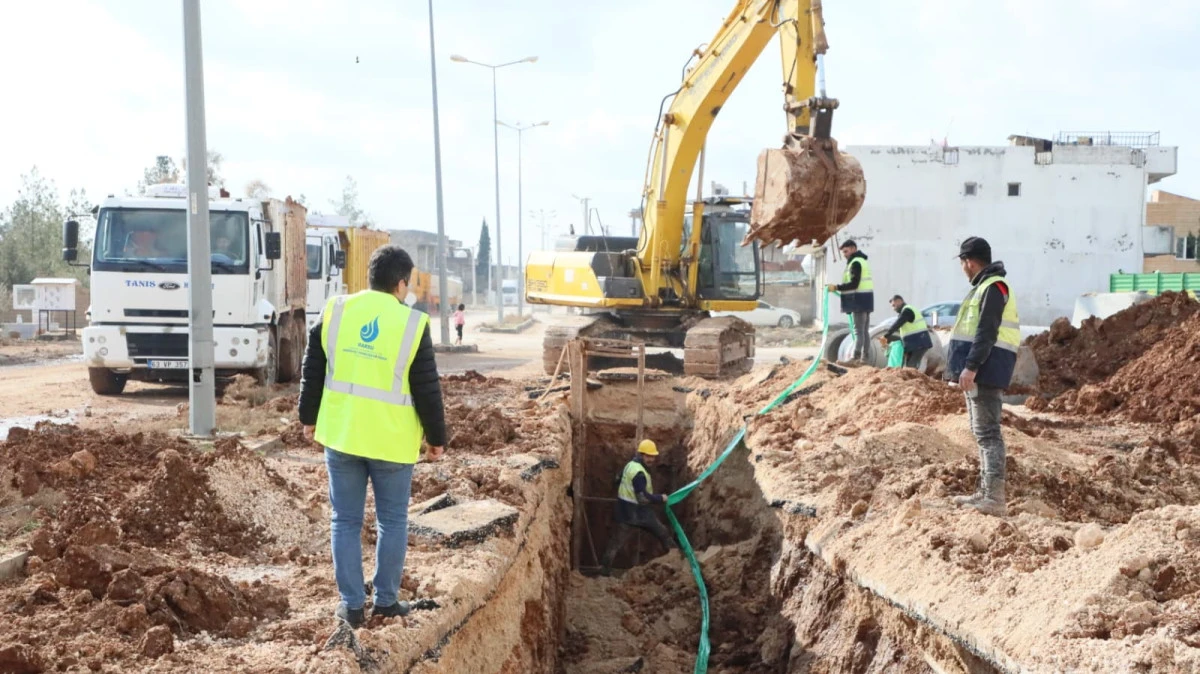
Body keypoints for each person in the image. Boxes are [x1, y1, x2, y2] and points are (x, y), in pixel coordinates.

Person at [297, 244, 447, 627]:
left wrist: (308, 416)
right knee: (392, 521)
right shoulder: (412, 323)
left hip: (343, 435)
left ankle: (351, 605)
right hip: (391, 442)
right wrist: (436, 439)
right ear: (400, 283)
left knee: (344, 521)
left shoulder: (336, 309)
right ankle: (385, 600)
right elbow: (427, 388)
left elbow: (313, 367)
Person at [946, 237, 1020, 517]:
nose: (963, 269)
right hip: (984, 369)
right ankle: (986, 492)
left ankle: (994, 497)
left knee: (988, 433)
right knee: (982, 433)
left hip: (987, 369)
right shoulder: (986, 286)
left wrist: (971, 366)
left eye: (963, 263)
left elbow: (986, 332)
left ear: (970, 262)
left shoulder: (993, 287)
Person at [599, 439, 675, 575]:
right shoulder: (639, 474)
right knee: (663, 533)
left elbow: (617, 478)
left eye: (652, 456)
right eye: (648, 456)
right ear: (641, 455)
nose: (651, 459)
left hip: (624, 512)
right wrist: (660, 498)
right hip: (640, 513)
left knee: (615, 543)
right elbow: (643, 498)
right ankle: (678, 562)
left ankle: (604, 571)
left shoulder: (629, 466)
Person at [825, 240, 874, 363]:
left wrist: (836, 287)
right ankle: (865, 358)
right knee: (864, 331)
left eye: (846, 251)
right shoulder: (862, 261)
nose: (845, 255)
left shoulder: (855, 263)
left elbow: (854, 284)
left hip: (858, 300)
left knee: (858, 331)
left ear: (853, 249)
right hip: (866, 300)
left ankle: (856, 358)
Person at [882, 294, 934, 369]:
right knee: (910, 365)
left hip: (919, 343)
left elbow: (898, 324)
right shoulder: (907, 310)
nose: (893, 308)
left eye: (894, 305)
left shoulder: (907, 310)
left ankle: (913, 380)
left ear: (899, 301)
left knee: (911, 366)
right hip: (916, 343)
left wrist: (886, 335)